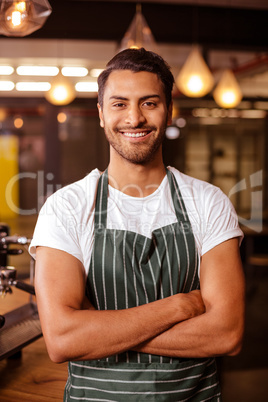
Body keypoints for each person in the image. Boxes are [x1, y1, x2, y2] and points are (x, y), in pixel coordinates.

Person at [30, 48, 245, 401]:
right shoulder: (66, 207)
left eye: (149, 103)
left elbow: (226, 334)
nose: (134, 118)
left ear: (168, 110)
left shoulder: (208, 202)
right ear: (100, 114)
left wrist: (100, 329)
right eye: (119, 104)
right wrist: (178, 307)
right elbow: (63, 340)